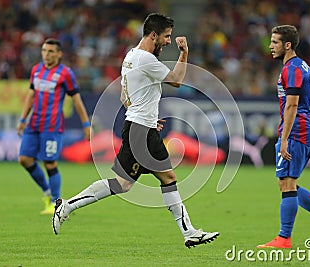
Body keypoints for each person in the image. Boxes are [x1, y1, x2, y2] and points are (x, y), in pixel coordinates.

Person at [52, 13, 219, 248]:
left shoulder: (131, 56)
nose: (169, 41)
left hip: (140, 126)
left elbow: (125, 95)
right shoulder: (146, 59)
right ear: (153, 35)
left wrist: (148, 117)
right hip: (140, 130)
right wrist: (184, 54)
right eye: (166, 37)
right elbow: (176, 80)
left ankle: (67, 205)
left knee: (126, 183)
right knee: (154, 179)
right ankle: (188, 232)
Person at [257, 25, 310, 249]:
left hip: (297, 130)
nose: (270, 46)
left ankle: (284, 238)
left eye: (274, 42)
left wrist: (284, 139)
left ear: (287, 45)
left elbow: (292, 104)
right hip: (302, 129)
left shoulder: (292, 68)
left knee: (287, 183)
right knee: (286, 183)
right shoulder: (300, 65)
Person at [17, 38, 91, 215]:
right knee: (24, 159)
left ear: (59, 54)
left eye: (50, 51)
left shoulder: (65, 73)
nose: (46, 54)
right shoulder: (36, 70)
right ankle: (47, 191)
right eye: (44, 50)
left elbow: (76, 99)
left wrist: (86, 124)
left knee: (50, 162)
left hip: (52, 125)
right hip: (34, 123)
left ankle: (55, 203)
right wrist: (22, 118)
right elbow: (30, 94)